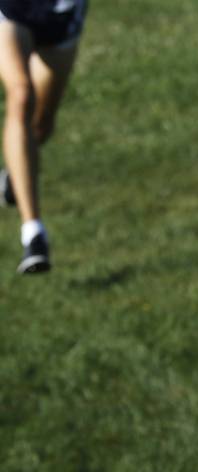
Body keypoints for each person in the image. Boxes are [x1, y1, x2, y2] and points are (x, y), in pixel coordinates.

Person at [0, 0, 88, 273]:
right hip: (11, 9)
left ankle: (15, 176)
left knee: (41, 125)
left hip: (60, 16)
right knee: (21, 94)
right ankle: (34, 233)